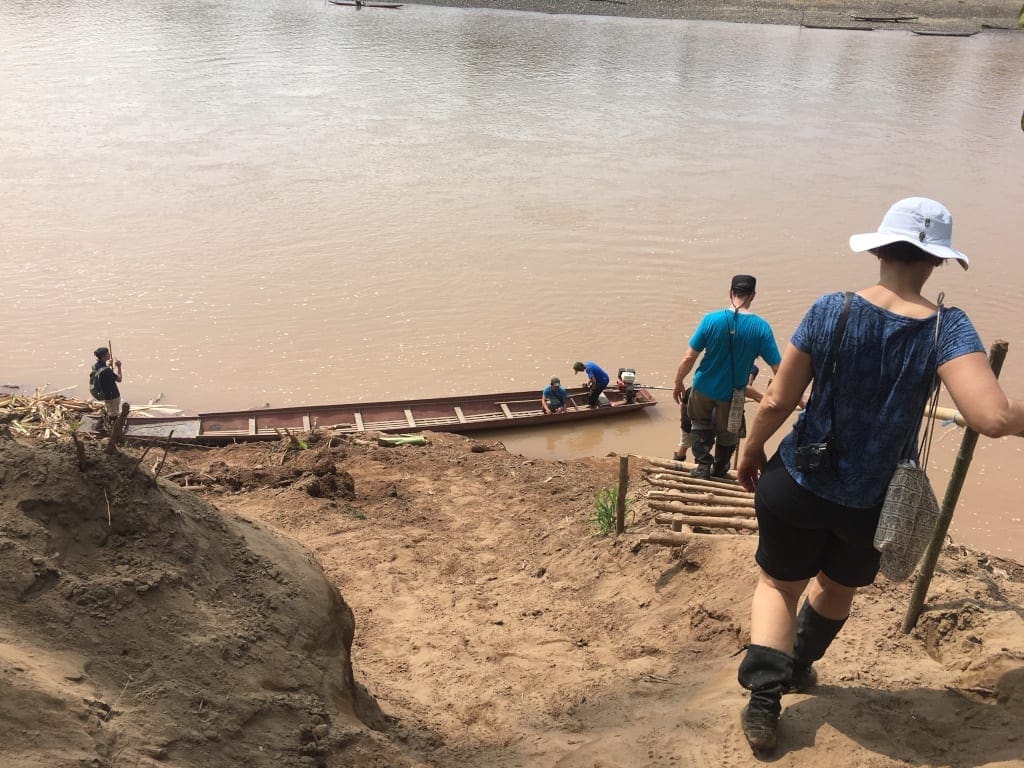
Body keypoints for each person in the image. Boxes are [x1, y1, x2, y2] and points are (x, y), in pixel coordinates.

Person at [733, 197, 1024, 755]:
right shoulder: (947, 328)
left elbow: (775, 399)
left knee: (777, 585)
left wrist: (751, 448)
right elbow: (991, 416)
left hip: (797, 480)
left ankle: (765, 703)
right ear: (936, 262)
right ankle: (799, 668)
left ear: (879, 249)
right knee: (838, 588)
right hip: (871, 503)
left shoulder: (831, 309)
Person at [672, 275, 782, 479]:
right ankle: (721, 468)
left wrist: (678, 382)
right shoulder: (761, 328)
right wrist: (783, 397)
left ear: (730, 292)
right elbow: (779, 368)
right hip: (733, 394)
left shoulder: (711, 320)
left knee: (699, 424)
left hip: (703, 387)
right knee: (729, 432)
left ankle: (703, 467)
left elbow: (689, 357)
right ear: (753, 295)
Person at [673, 366, 765, 463]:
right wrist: (762, 398)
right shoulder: (751, 368)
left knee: (688, 444)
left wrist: (682, 420)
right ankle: (716, 467)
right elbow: (746, 386)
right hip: (716, 412)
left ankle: (686, 464)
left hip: (696, 413)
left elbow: (683, 404)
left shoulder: (719, 363)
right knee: (722, 442)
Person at [91, 347, 123, 417]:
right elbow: (119, 379)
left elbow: (102, 372)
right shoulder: (107, 371)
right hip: (113, 396)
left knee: (110, 411)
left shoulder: (96, 366)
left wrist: (108, 365)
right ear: (103, 357)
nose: (110, 354)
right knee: (114, 415)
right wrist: (119, 367)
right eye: (108, 354)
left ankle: (110, 422)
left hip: (105, 394)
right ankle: (114, 426)